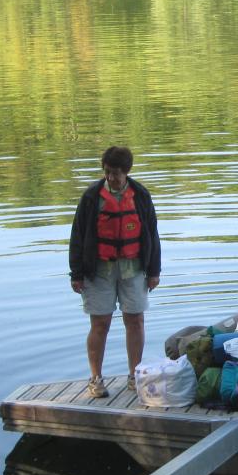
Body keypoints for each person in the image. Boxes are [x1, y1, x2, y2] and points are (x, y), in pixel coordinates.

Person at [69, 146, 161, 398]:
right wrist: (76, 273)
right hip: (98, 269)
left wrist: (154, 271)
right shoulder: (91, 197)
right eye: (107, 172)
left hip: (133, 268)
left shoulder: (140, 195)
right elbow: (77, 235)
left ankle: (135, 375)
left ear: (126, 172)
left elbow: (152, 233)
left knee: (135, 320)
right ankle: (96, 379)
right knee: (100, 323)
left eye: (116, 174)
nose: (111, 178)